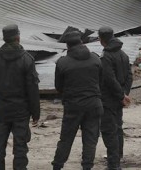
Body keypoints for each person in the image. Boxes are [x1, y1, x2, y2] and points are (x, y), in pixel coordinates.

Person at [52, 30, 123, 170]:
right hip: (94, 104)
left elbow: (58, 87)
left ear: (68, 46)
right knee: (90, 140)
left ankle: (57, 166)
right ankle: (87, 167)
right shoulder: (96, 59)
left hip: (73, 105)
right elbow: (100, 81)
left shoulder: (62, 63)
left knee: (66, 139)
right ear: (82, 42)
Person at [0, 24, 40, 170]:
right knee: (20, 145)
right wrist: (36, 113)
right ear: (18, 38)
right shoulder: (27, 59)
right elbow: (32, 89)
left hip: (0, 110)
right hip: (21, 111)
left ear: (4, 39)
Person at [98, 27, 133, 170]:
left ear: (101, 39)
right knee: (118, 128)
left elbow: (109, 79)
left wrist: (120, 95)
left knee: (109, 131)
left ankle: (113, 164)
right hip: (119, 99)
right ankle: (118, 158)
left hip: (109, 99)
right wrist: (124, 94)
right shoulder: (123, 54)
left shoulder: (106, 56)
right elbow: (129, 76)